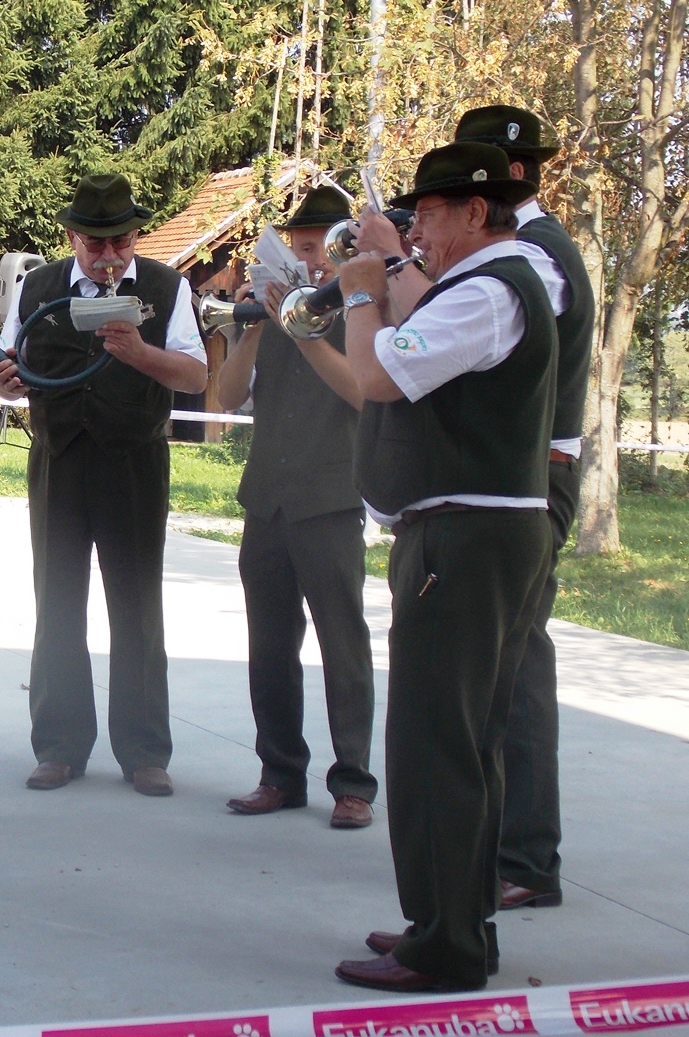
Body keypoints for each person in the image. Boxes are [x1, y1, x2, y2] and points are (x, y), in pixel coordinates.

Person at [332, 142, 557, 992]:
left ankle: (446, 944)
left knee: (435, 743)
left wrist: (362, 293)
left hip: (465, 538)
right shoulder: (491, 285)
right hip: (481, 534)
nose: (416, 228)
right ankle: (459, 923)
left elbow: (378, 373)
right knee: (466, 743)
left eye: (429, 213)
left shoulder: (490, 289)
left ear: (475, 211)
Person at [0, 173, 208, 797]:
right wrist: (2, 384)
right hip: (59, 458)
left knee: (137, 607)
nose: (110, 256)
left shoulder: (167, 286)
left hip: (134, 460)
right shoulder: (37, 287)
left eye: (121, 242)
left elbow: (195, 376)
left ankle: (144, 752)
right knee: (57, 601)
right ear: (71, 237)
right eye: (95, 243)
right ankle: (59, 747)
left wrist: (141, 354)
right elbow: (7, 362)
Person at [455, 105, 594, 911]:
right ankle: (512, 852)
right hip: (522, 474)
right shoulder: (529, 247)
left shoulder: (533, 256)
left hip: (533, 476)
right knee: (505, 666)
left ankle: (526, 858)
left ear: (504, 177)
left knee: (515, 673)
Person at [216, 186, 377, 830]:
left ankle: (353, 783)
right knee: (269, 647)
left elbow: (364, 394)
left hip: (330, 501)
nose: (309, 263)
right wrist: (252, 328)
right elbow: (227, 398)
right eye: (300, 249)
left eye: (318, 251)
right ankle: (279, 774)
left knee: (343, 645)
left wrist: (302, 328)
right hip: (267, 500)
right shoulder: (272, 317)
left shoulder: (360, 316)